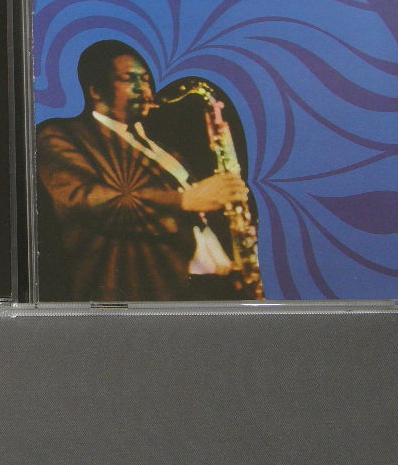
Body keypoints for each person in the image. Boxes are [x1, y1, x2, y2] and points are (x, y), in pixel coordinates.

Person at [36, 40, 255, 301]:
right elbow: (86, 200)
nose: (145, 89)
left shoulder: (165, 151)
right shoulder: (61, 135)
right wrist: (185, 200)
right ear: (96, 91)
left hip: (215, 286)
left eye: (146, 79)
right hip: (145, 294)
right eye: (130, 79)